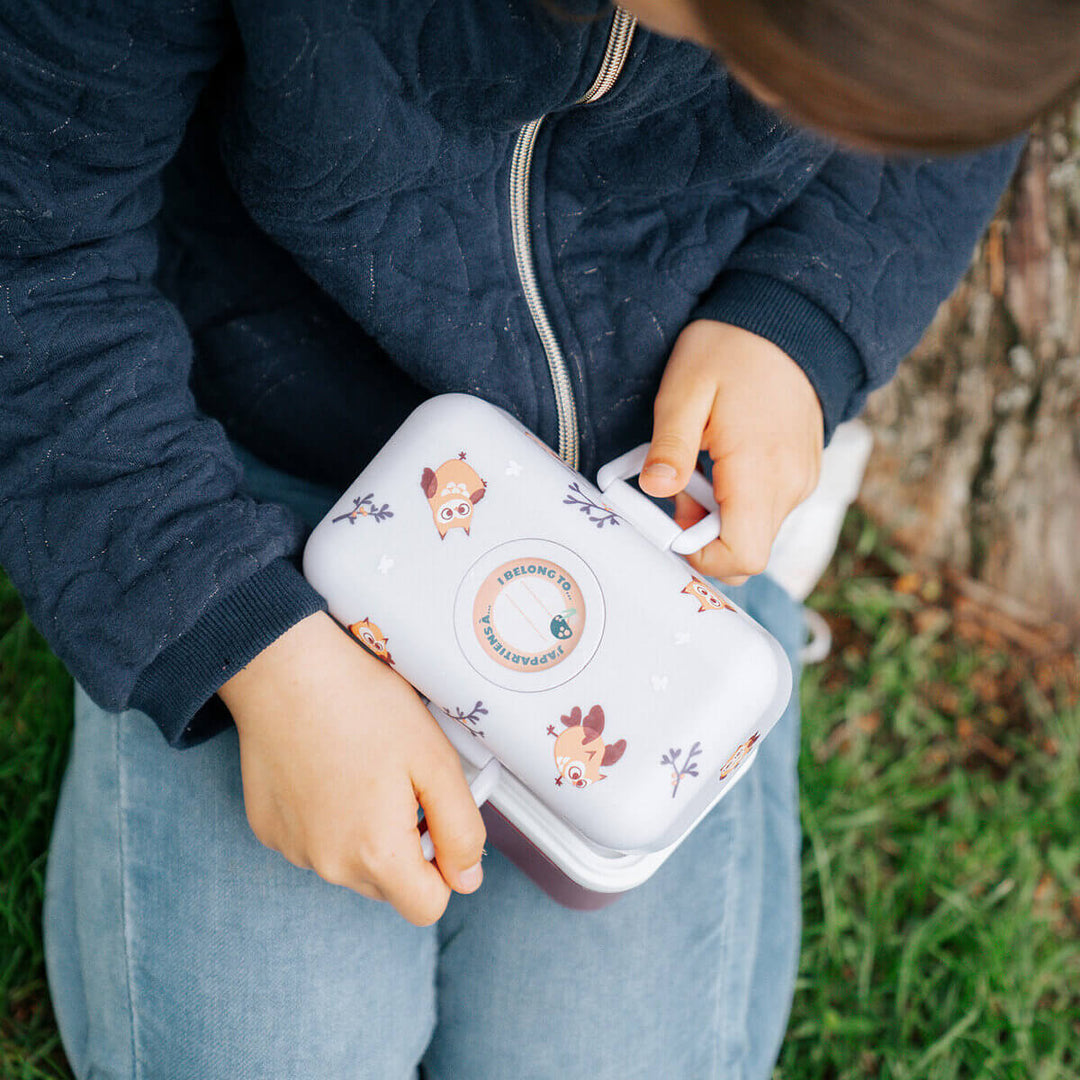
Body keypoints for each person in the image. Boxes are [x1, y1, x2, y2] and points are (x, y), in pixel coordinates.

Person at [1, 0, 1076, 1076]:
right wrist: (230, 635)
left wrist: (800, 326)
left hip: (644, 514)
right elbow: (29, 257)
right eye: (777, 75)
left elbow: (943, 114)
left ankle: (747, 630)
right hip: (249, 487)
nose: (813, 125)